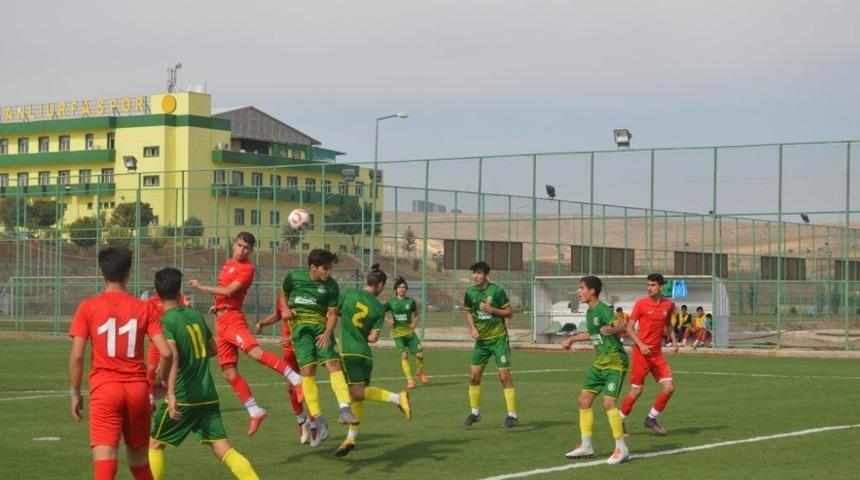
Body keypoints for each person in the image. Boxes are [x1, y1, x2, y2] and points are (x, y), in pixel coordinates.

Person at [68, 246, 173, 480]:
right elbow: (166, 353)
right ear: (128, 274)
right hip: (137, 391)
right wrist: (160, 381)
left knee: (105, 465)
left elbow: (77, 355)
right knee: (140, 464)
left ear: (101, 272)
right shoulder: (144, 307)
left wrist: (75, 392)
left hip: (106, 389)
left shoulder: (88, 306)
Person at [148, 268, 259, 480]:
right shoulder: (195, 315)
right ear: (179, 290)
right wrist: (193, 354)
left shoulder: (166, 321)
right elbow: (212, 349)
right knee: (223, 449)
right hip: (207, 395)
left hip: (184, 395)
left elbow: (170, 355)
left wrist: (168, 389)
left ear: (156, 291)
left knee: (154, 444)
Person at [188, 232, 302, 437]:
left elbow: (230, 291)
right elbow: (222, 294)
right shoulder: (228, 263)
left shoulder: (247, 268)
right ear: (234, 244)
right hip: (221, 322)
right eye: (240, 245)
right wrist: (216, 307)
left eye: (246, 248)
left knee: (256, 353)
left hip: (233, 319)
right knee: (228, 372)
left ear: (251, 250)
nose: (242, 250)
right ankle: (255, 411)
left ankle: (296, 379)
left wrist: (201, 287)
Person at [279, 248, 359, 448]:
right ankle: (317, 418)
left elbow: (332, 314)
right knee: (308, 371)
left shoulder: (331, 286)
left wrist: (327, 333)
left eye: (330, 268)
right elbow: (282, 293)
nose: (328, 272)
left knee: (334, 364)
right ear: (313, 267)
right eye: (325, 268)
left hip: (321, 328)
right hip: (300, 330)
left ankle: (344, 409)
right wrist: (285, 308)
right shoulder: (294, 278)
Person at [334, 264, 412, 457]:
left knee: (351, 390)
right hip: (365, 354)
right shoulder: (378, 308)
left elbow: (334, 313)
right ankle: (351, 438)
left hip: (348, 352)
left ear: (367, 281)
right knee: (357, 395)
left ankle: (397, 398)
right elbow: (373, 338)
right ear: (380, 285)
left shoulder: (349, 294)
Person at [562, 276, 630, 465]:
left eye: (581, 288)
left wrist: (613, 329)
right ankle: (586, 446)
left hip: (615, 363)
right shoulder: (590, 313)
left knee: (608, 403)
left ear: (592, 291)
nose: (579, 291)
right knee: (584, 400)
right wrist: (572, 340)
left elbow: (621, 326)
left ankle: (621, 448)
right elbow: (592, 334)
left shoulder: (603, 309)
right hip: (599, 363)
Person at [620, 273, 679, 436]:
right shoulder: (641, 304)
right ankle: (620, 420)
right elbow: (629, 328)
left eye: (652, 285)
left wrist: (674, 341)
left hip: (657, 354)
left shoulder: (668, 305)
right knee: (637, 391)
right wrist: (641, 344)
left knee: (669, 388)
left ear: (661, 287)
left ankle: (651, 419)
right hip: (641, 354)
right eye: (647, 285)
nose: (649, 288)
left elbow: (668, 325)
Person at [462, 261, 518, 429]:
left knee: (504, 377)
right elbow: (468, 311)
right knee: (473, 377)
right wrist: (472, 328)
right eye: (474, 273)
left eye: (479, 273)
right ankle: (475, 413)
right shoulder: (470, 292)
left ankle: (512, 415)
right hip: (481, 342)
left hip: (498, 339)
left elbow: (509, 313)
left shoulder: (497, 291)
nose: (475, 276)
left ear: (486, 274)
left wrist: (491, 309)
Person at [253, 303, 312, 444]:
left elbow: (310, 322)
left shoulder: (305, 296)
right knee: (291, 387)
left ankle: (315, 420)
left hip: (304, 346)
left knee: (307, 385)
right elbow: (277, 315)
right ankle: (301, 421)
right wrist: (262, 323)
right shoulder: (283, 297)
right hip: (288, 349)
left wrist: (291, 337)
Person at [141, 290, 190, 408]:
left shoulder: (177, 298)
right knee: (151, 369)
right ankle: (151, 399)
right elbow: (147, 318)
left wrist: (188, 306)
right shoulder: (152, 300)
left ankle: (173, 398)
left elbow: (185, 314)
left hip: (171, 340)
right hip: (157, 341)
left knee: (174, 369)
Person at [384, 277, 429, 389]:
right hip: (398, 335)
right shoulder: (391, 302)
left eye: (404, 287)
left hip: (410, 333)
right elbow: (380, 311)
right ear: (396, 289)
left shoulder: (411, 302)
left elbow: (417, 314)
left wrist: (414, 324)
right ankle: (410, 381)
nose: (402, 289)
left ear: (406, 289)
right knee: (404, 356)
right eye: (399, 287)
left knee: (420, 355)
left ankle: (419, 372)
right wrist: (388, 320)